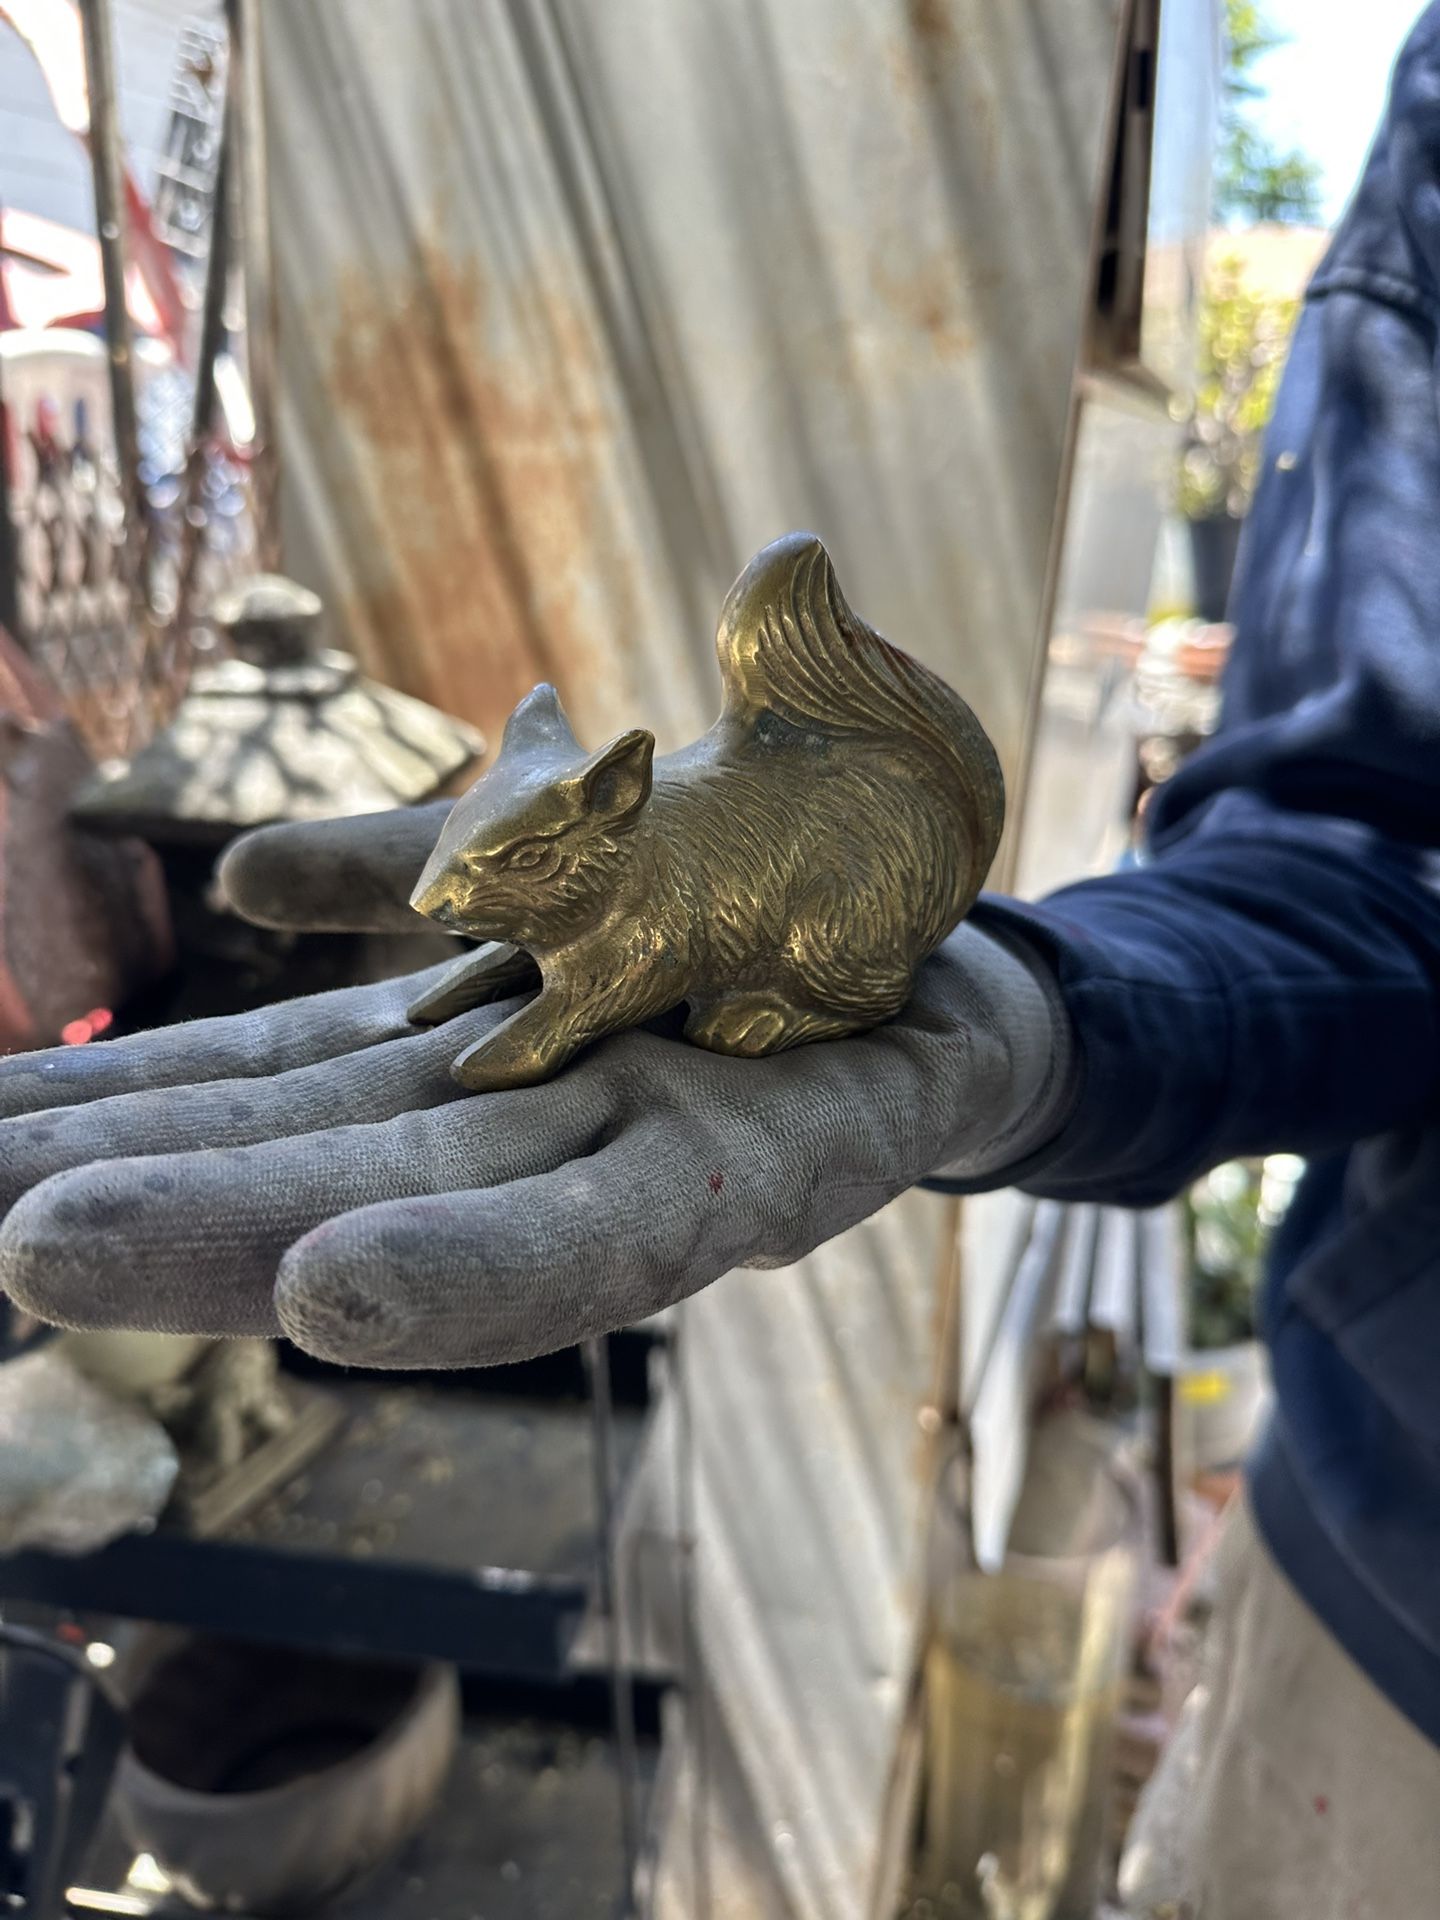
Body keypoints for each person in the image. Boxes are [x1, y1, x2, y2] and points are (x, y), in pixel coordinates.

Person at [5, 11, 1440, 1914]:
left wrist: (535, 1025)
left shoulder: (633, 889)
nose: (472, 901)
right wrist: (1054, 1018)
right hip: (1387, 1602)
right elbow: (1358, 849)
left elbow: (590, 986)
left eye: (504, 877)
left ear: (595, 821)